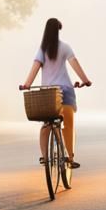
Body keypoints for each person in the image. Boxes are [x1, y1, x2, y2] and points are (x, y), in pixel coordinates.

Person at [20, 17, 91, 168]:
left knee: (46, 125)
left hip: (48, 95)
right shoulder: (65, 47)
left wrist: (27, 85)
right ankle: (70, 158)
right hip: (65, 91)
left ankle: (45, 158)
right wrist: (85, 80)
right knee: (68, 125)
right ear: (58, 30)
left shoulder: (42, 49)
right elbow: (75, 64)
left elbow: (35, 68)